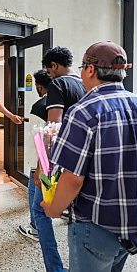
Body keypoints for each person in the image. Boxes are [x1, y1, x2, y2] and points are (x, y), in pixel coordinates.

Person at [41, 41, 137, 272]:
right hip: (134, 223)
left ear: (89, 70)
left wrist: (54, 209)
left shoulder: (83, 111)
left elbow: (73, 178)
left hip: (95, 225)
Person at [18, 70, 67, 272]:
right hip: (62, 163)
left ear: (39, 85)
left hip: (43, 164)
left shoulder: (40, 106)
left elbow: (38, 140)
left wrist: (35, 167)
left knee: (38, 202)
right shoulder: (68, 100)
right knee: (42, 196)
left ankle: (36, 227)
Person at [39, 46, 86, 225]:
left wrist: (42, 165)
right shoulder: (85, 84)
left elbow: (53, 129)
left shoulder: (58, 84)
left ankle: (41, 238)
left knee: (39, 206)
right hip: (81, 153)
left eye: (49, 71)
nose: (49, 75)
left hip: (61, 156)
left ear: (54, 65)